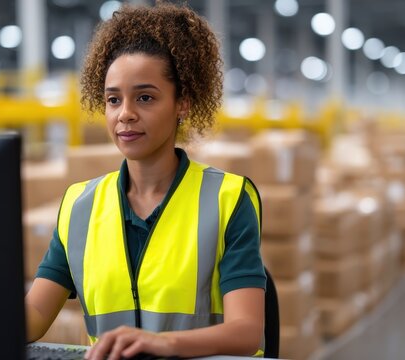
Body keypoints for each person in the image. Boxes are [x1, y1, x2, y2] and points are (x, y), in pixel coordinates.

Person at [24, 2, 267, 359]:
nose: (125, 114)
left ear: (182, 103)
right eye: (113, 99)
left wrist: (163, 344)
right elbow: (37, 314)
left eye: (145, 97)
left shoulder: (227, 199)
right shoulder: (80, 206)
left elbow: (246, 332)